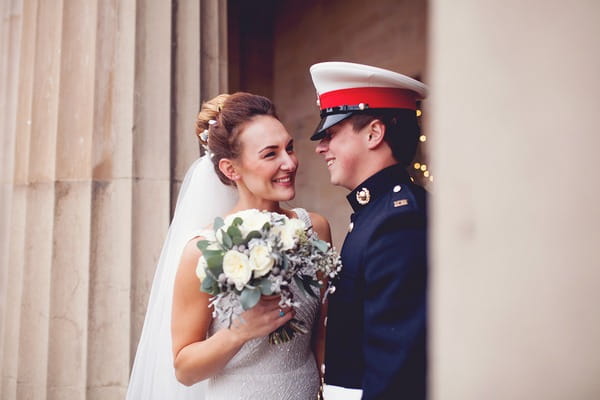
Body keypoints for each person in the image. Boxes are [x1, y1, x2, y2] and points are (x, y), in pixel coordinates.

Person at [127, 92, 331, 399]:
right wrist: (240, 332)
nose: (289, 162)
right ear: (230, 169)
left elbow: (321, 333)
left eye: (289, 148)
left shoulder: (314, 228)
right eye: (270, 154)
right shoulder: (204, 250)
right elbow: (184, 369)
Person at [309, 62, 428, 400]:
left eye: (330, 134)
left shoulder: (398, 219)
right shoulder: (376, 212)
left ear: (374, 134)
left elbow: (398, 363)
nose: (320, 148)